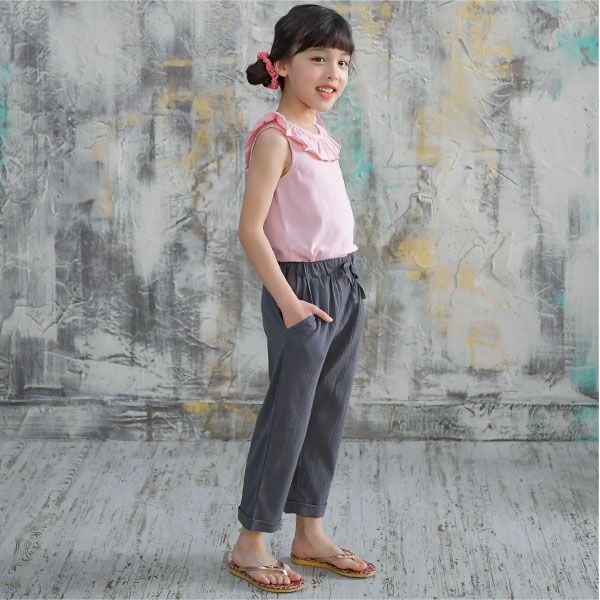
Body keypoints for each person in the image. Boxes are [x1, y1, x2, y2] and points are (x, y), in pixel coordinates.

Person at [226, 3, 376, 593]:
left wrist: (348, 290)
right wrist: (290, 303)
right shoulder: (274, 137)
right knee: (287, 418)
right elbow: (250, 229)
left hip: (342, 283)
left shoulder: (320, 136)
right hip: (300, 292)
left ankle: (309, 532)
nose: (333, 72)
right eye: (318, 58)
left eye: (343, 62)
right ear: (283, 65)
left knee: (325, 413)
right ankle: (251, 542)